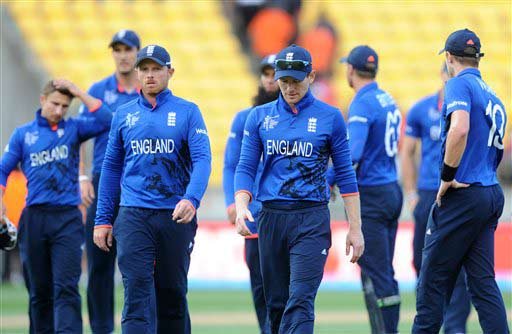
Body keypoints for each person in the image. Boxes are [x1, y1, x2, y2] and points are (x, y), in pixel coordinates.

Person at [234, 44, 364, 334]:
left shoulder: (330, 118)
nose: (290, 87)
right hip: (271, 217)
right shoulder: (259, 117)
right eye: (284, 81)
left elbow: (345, 175)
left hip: (311, 218)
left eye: (296, 80)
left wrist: (355, 228)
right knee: (277, 304)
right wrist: (242, 205)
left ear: (312, 76)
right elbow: (245, 167)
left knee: (301, 300)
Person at [93, 44, 211, 333]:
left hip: (175, 216)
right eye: (144, 69)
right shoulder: (123, 115)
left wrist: (191, 199)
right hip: (133, 215)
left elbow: (203, 159)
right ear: (136, 73)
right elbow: (110, 169)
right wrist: (103, 219)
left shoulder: (188, 112)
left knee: (172, 294)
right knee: (136, 295)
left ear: (170, 72)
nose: (149, 75)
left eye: (156, 69)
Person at [413, 28, 509, 334]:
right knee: (483, 285)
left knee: (431, 282)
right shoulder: (493, 94)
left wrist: (446, 176)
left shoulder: (456, 84)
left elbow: (460, 129)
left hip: (463, 193)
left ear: (450, 58)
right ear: (477, 59)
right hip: (490, 192)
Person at [0, 79, 113, 333]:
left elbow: (109, 120)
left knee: (66, 288)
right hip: (35, 217)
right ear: (42, 100)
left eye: (65, 105)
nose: (60, 110)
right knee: (39, 292)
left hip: (67, 218)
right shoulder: (23, 134)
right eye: (55, 104)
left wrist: (78, 92)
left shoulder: (74, 128)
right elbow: (3, 170)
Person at [78, 29, 142, 334]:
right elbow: (77, 133)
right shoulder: (99, 89)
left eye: (128, 49)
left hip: (141, 182)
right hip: (104, 179)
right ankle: (101, 329)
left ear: (138, 52)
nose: (123, 55)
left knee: (140, 265)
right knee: (100, 266)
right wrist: (82, 176)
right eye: (117, 49)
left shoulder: (148, 87)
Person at [402, 64, 471, 334]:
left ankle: (455, 327)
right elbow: (407, 152)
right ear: (442, 75)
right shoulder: (421, 109)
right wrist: (411, 193)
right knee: (422, 260)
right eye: (449, 75)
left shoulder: (468, 109)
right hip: (429, 192)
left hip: (459, 190)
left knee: (460, 265)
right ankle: (430, 318)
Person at [340, 45, 403, 334]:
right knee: (378, 269)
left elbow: (352, 154)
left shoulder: (362, 102)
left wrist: (327, 178)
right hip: (391, 187)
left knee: (378, 274)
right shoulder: (386, 98)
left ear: (351, 70)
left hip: (373, 194)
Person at [223, 54, 279, 334]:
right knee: (259, 287)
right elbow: (231, 164)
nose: (270, 79)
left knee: (286, 287)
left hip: (284, 214)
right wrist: (231, 201)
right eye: (266, 73)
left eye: (274, 73)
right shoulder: (244, 119)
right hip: (254, 215)